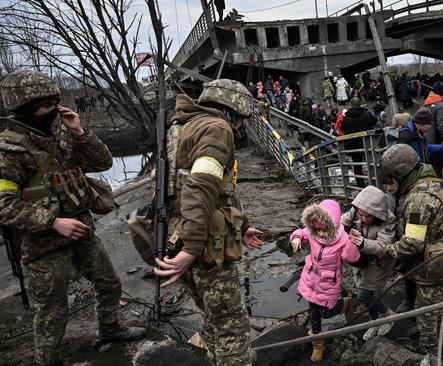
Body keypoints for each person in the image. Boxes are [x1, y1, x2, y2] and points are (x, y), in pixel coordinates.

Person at [0, 69, 145, 366]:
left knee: (109, 283)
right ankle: (48, 360)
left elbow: (103, 162)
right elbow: (4, 204)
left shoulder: (64, 133)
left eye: (56, 102)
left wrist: (79, 131)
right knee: (52, 309)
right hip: (44, 244)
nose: (53, 110)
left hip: (82, 230)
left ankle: (110, 329)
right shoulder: (8, 150)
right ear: (25, 109)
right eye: (45, 105)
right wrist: (53, 222)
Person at [153, 79, 264, 366]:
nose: (239, 127)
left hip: (180, 233)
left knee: (213, 316)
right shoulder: (217, 128)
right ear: (233, 111)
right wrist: (192, 247)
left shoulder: (180, 127)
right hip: (202, 243)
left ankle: (219, 358)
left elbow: (217, 192)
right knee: (232, 324)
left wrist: (241, 226)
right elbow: (200, 187)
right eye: (240, 121)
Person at [379, 144, 443, 364]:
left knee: (425, 310)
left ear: (400, 173)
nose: (389, 183)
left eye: (390, 178)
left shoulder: (418, 199)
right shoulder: (429, 177)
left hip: (435, 265)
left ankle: (432, 352)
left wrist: (385, 251)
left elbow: (412, 244)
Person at [290, 199, 361, 362]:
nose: (315, 224)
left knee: (326, 312)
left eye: (319, 219)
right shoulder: (312, 231)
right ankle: (318, 345)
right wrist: (297, 237)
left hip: (329, 283)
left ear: (331, 221)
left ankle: (346, 304)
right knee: (314, 313)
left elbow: (351, 258)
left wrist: (352, 242)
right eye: (313, 219)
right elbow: (301, 232)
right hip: (310, 279)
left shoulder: (342, 239)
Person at [340, 186, 397, 341]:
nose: (363, 219)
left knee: (364, 295)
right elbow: (340, 223)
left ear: (377, 214)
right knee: (369, 293)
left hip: (379, 262)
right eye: (361, 214)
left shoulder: (389, 220)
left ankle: (388, 315)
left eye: (368, 216)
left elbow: (382, 246)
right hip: (359, 259)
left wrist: (363, 242)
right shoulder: (357, 210)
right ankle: (375, 322)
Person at [339, 97, 376, 187]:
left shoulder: (346, 117)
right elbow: (375, 120)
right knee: (372, 162)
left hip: (353, 145)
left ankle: (361, 185)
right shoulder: (366, 114)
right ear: (360, 105)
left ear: (350, 105)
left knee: (357, 166)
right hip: (367, 143)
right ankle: (375, 182)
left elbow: (342, 128)